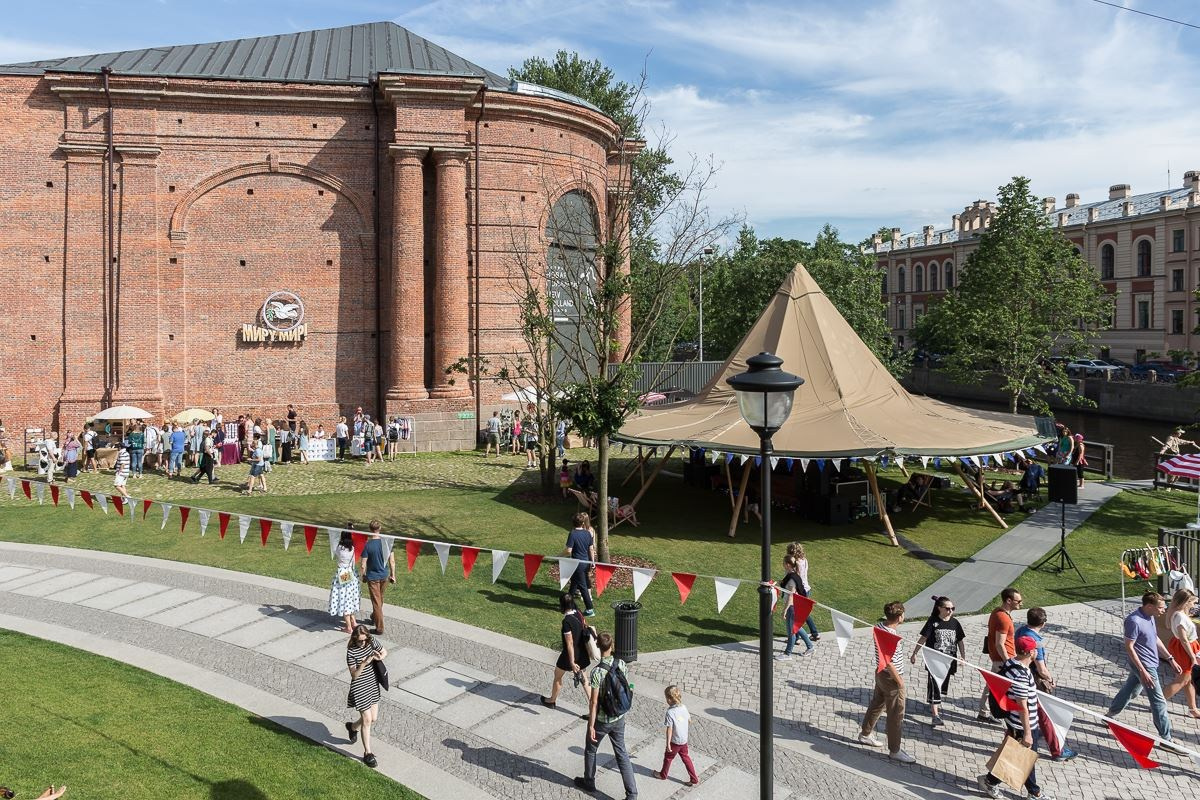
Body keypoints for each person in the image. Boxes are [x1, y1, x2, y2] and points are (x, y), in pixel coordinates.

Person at [977, 635, 1052, 800]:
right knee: (1023, 758)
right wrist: (1027, 733)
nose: (1037, 651)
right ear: (1030, 652)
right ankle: (1032, 792)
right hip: (1021, 724)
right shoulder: (1020, 676)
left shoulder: (1012, 664)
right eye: (1035, 649)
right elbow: (1022, 707)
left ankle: (1030, 791)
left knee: (1022, 757)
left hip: (1017, 722)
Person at [1106, 591, 1183, 747]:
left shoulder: (1150, 617)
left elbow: (1154, 638)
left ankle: (1109, 715)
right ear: (1149, 606)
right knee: (1159, 701)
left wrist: (1170, 658)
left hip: (1150, 663)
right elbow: (1129, 647)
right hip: (1144, 665)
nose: (1164, 610)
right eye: (1161, 607)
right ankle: (1166, 739)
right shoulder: (1134, 621)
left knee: (1131, 690)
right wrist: (1143, 671)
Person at [575, 632, 637, 799]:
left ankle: (589, 781)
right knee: (622, 753)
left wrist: (591, 726)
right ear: (612, 646)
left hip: (602, 720)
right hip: (619, 717)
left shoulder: (597, 673)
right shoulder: (622, 664)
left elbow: (594, 702)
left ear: (598, 647)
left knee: (590, 749)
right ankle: (632, 794)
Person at [1015, 606, 1078, 760]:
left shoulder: (1020, 631)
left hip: (1021, 673)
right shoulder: (1037, 642)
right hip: (1034, 680)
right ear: (1043, 624)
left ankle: (1037, 733)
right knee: (1045, 714)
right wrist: (1050, 679)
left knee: (1032, 711)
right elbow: (1041, 668)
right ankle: (1057, 750)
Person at [858, 601, 915, 763]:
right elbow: (889, 661)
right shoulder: (891, 635)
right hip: (891, 677)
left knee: (877, 704)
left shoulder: (879, 626)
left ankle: (866, 734)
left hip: (880, 672)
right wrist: (900, 682)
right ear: (899, 617)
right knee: (896, 715)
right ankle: (895, 750)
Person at [909, 595, 966, 727]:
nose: (951, 611)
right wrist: (914, 653)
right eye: (947, 608)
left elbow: (960, 641)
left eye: (953, 608)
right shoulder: (933, 621)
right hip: (934, 661)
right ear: (939, 608)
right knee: (935, 684)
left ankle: (932, 703)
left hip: (949, 661)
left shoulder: (955, 623)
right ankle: (935, 715)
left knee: (941, 686)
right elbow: (923, 638)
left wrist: (963, 656)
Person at [344, 624, 387, 768]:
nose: (363, 643)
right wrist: (364, 663)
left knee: (373, 718)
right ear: (354, 639)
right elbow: (354, 675)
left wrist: (379, 657)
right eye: (360, 641)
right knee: (367, 720)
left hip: (372, 684)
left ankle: (353, 727)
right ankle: (367, 753)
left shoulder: (371, 641)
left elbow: (384, 651)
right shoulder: (351, 652)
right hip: (360, 687)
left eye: (364, 640)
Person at [978, 587, 1022, 722]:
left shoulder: (997, 612)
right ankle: (986, 712)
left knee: (991, 685)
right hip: (1003, 660)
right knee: (995, 687)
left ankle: (983, 711)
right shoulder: (1003, 618)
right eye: (1018, 601)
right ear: (1009, 601)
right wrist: (1008, 662)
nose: (1021, 603)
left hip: (1000, 659)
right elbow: (999, 643)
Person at [540, 592, 592, 707]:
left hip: (569, 656)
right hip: (582, 652)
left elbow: (569, 643)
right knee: (585, 680)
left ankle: (552, 700)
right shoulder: (579, 614)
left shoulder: (567, 621)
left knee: (558, 676)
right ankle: (594, 707)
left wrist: (572, 662)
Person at [1163, 587, 1200, 718]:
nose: (1194, 605)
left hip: (1187, 647)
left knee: (1188, 680)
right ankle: (1158, 703)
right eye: (1192, 602)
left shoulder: (1179, 614)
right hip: (1186, 649)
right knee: (1182, 680)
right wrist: (1193, 657)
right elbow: (1184, 639)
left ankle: (1192, 709)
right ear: (1185, 602)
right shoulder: (1179, 617)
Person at [652, 685, 700, 785]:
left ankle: (663, 775)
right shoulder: (683, 707)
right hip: (684, 740)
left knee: (668, 758)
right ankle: (694, 778)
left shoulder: (670, 712)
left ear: (669, 699)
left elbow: (669, 729)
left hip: (675, 741)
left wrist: (668, 743)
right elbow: (689, 720)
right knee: (686, 758)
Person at [359, 520, 396, 635]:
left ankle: (379, 628)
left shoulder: (368, 545)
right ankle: (374, 616)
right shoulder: (387, 544)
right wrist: (393, 575)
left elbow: (363, 564)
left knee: (376, 602)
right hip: (384, 576)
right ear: (380, 528)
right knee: (380, 599)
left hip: (373, 577)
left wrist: (363, 576)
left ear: (370, 529)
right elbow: (392, 561)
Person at [776, 555, 814, 660]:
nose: (782, 565)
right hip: (793, 606)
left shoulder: (792, 578)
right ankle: (810, 647)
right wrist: (776, 583)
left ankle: (787, 654)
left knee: (791, 630)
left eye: (783, 563)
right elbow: (784, 583)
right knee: (797, 628)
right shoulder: (792, 575)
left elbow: (791, 596)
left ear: (787, 565)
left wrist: (785, 610)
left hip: (792, 607)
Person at [564, 512, 597, 617]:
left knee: (583, 586)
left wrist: (560, 556)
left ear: (573, 523)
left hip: (577, 564)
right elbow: (591, 549)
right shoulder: (588, 533)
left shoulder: (572, 534)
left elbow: (569, 550)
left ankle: (590, 609)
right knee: (574, 583)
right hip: (586, 562)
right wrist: (592, 561)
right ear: (583, 523)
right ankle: (567, 604)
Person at [786, 542, 820, 641]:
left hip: (799, 590)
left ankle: (796, 638)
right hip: (806, 588)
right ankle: (813, 633)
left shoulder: (795, 563)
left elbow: (797, 578)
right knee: (801, 613)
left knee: (795, 614)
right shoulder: (804, 560)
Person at [329, 531, 361, 634]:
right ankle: (354, 622)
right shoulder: (352, 549)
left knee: (343, 600)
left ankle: (348, 627)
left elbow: (336, 552)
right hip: (350, 573)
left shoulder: (339, 548)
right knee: (349, 599)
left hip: (342, 575)